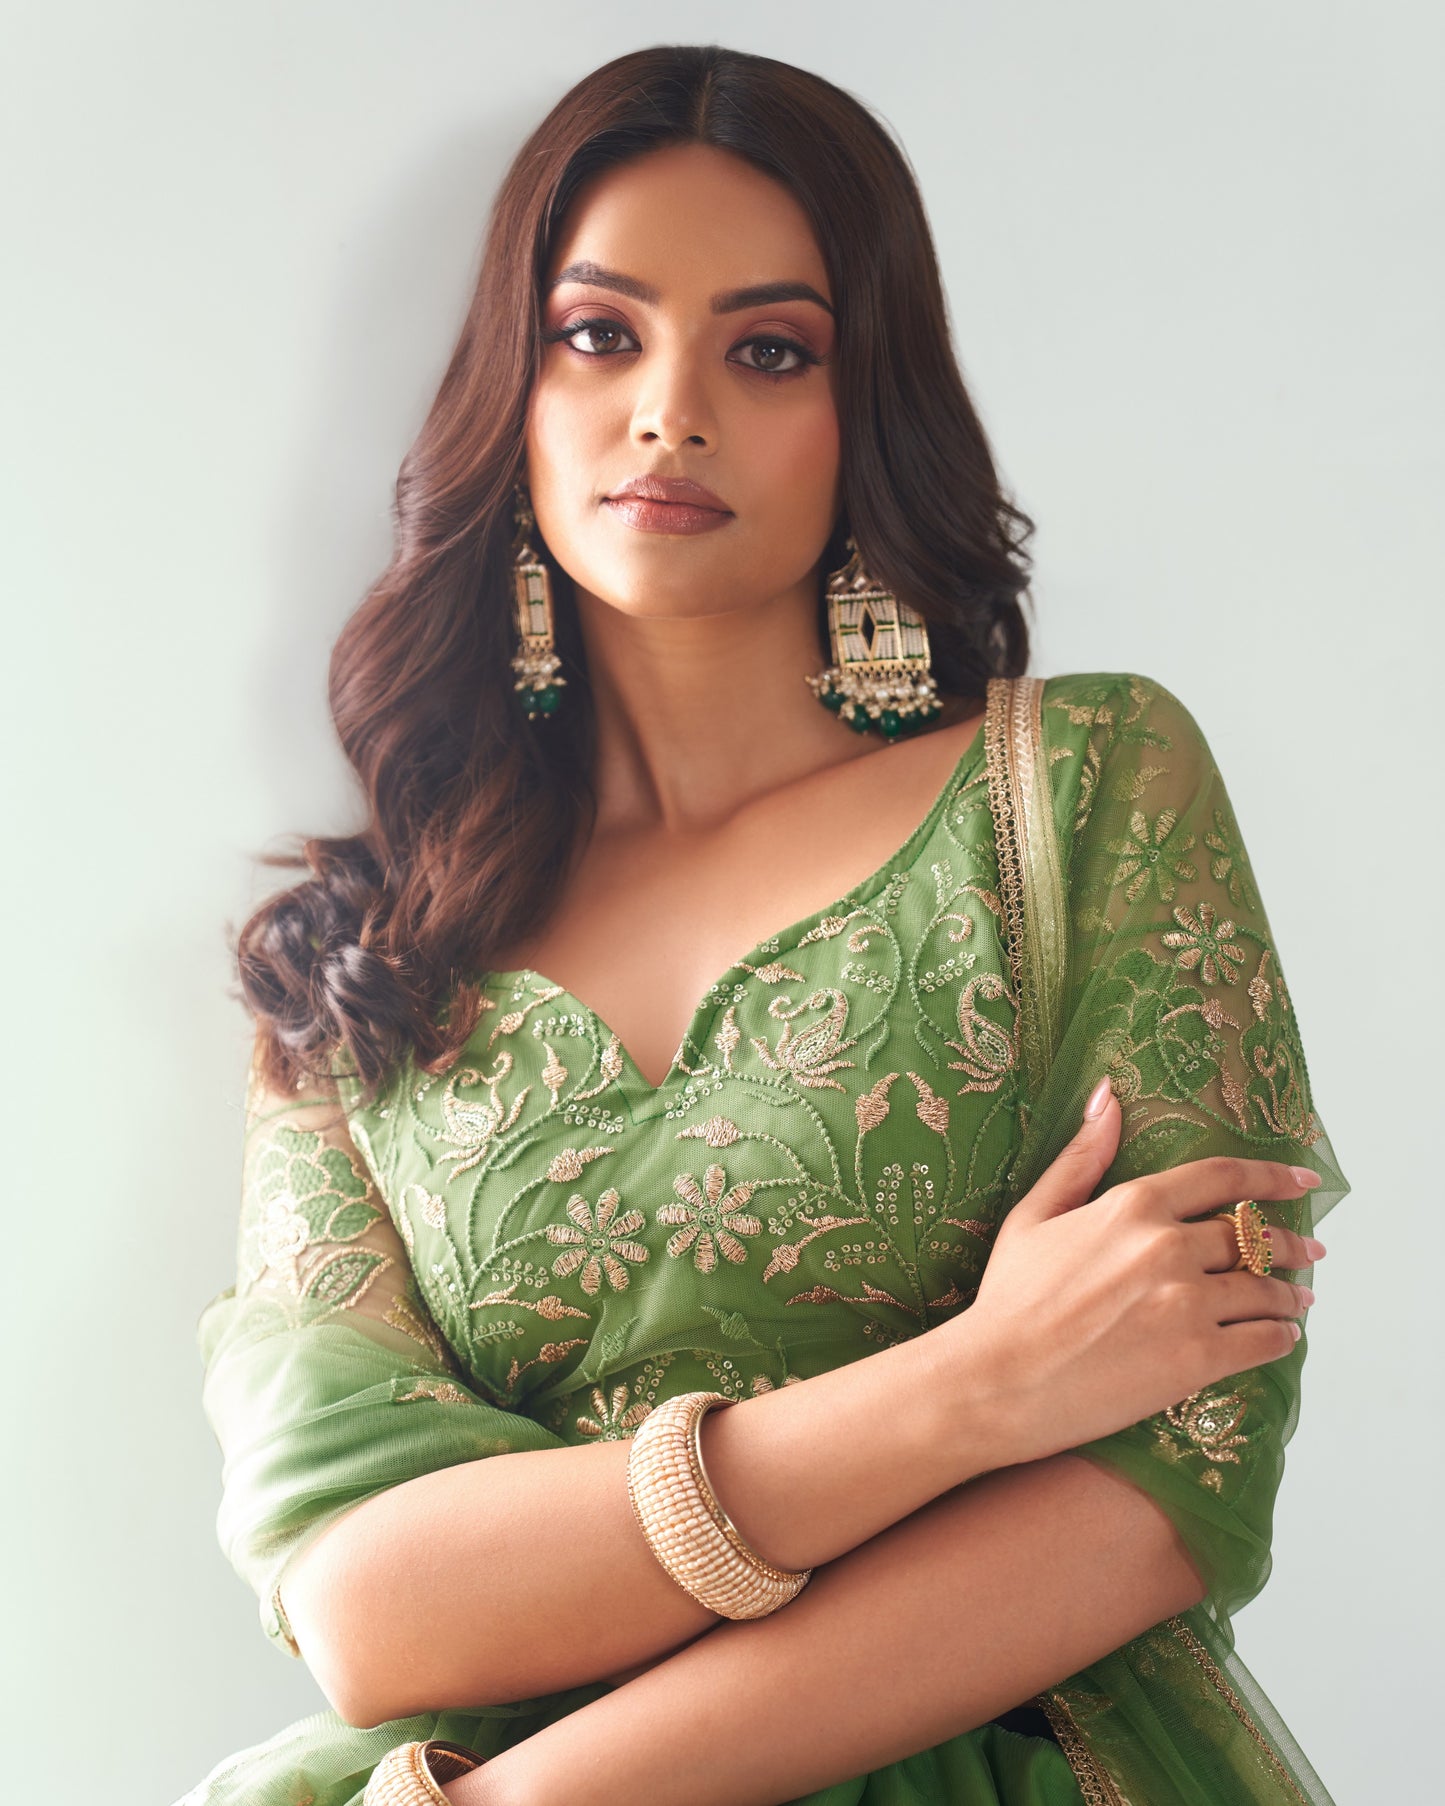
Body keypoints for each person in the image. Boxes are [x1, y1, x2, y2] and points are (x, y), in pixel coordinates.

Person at [179, 44, 1348, 1806]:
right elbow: (365, 1604)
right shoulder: (358, 970)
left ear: (861, 412)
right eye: (599, 334)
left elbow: (1167, 1475)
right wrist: (969, 1388)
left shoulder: (1078, 795)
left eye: (769, 348)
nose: (671, 408)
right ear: (513, 389)